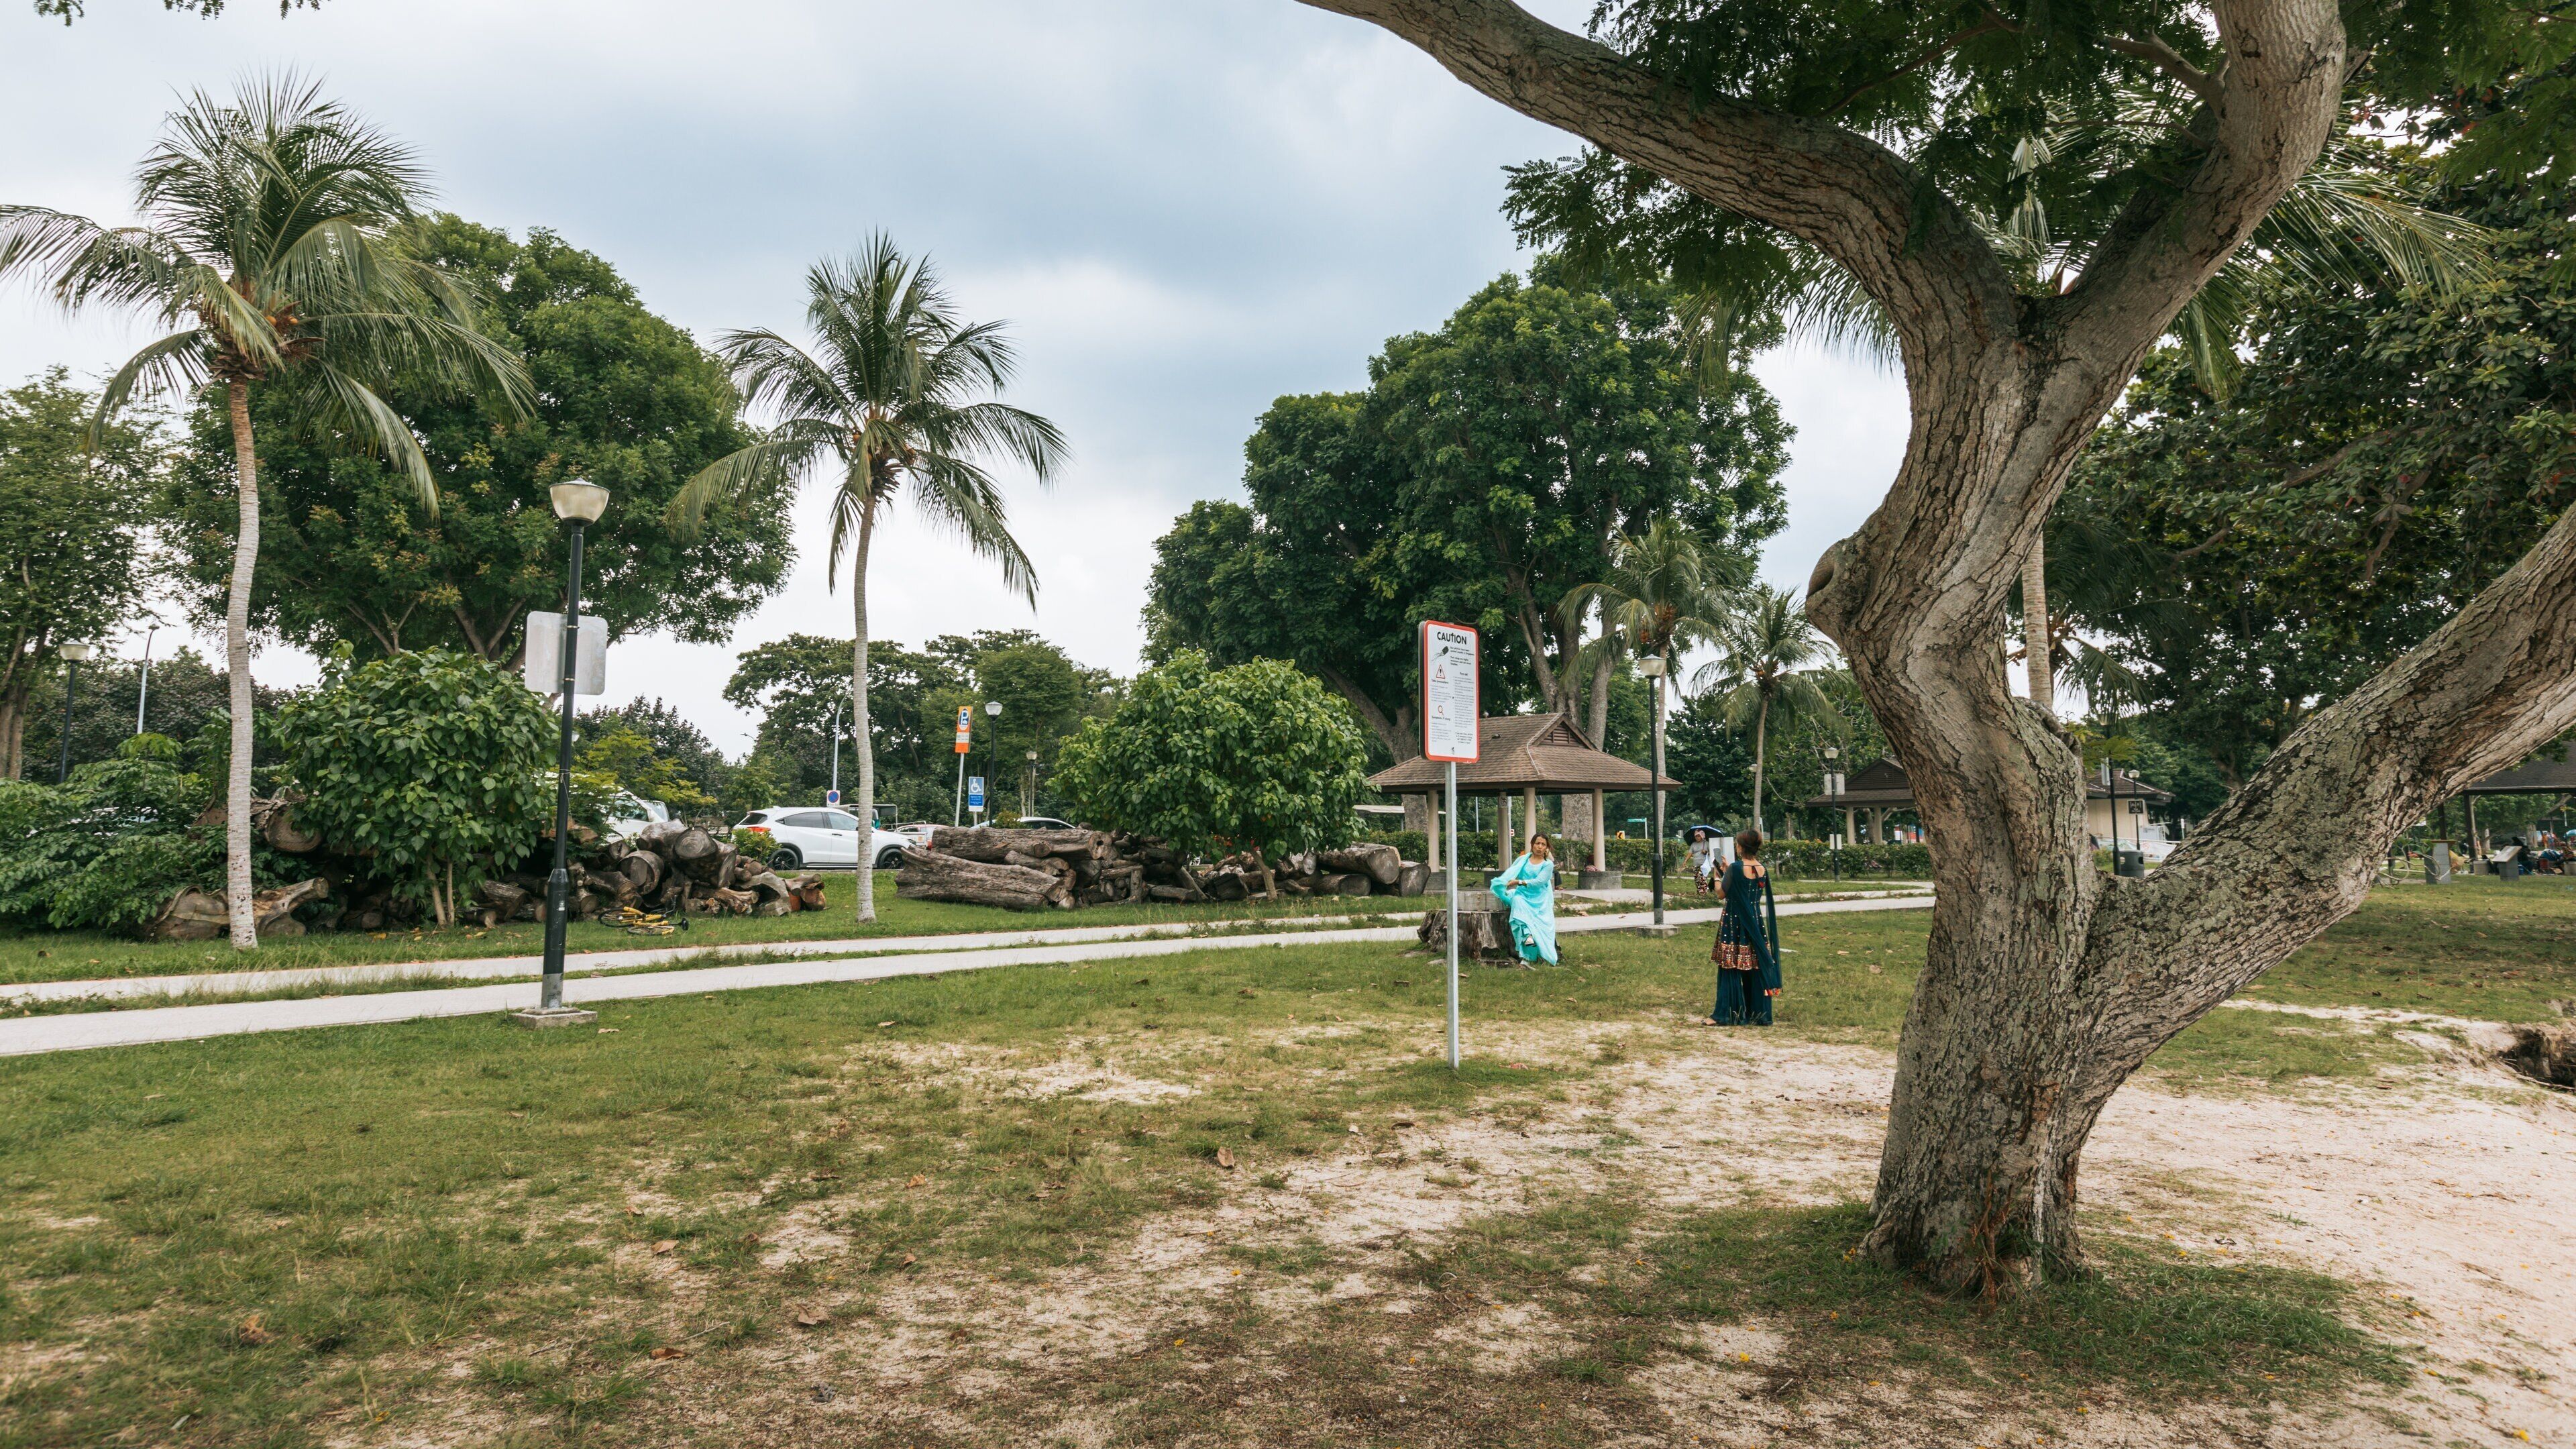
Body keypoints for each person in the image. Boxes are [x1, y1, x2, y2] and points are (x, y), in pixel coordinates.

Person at [1706, 828, 1782, 1026]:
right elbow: (1745, 885)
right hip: (1755, 923)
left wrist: (1716, 876)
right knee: (1754, 967)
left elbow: (1722, 894)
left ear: (1740, 847)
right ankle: (1759, 1014)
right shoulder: (1762, 868)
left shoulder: (1736, 868)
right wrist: (1728, 869)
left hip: (1734, 922)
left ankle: (1726, 1013)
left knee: (1730, 966)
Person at [1490, 830, 1560, 965]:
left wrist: (1518, 882)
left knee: (1541, 924)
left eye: (1543, 844)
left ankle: (1536, 954)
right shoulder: (1523, 860)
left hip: (1539, 899)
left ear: (1547, 848)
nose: (1540, 847)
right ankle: (1527, 940)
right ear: (1532, 844)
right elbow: (1512, 872)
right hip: (1522, 895)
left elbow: (1539, 882)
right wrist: (1504, 882)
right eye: (1537, 843)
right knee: (1517, 902)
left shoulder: (1547, 865)